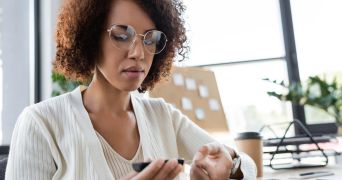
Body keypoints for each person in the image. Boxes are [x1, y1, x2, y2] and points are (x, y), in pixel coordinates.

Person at [5, 0, 256, 179]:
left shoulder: (162, 116)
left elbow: (248, 167)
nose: (138, 53)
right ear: (90, 39)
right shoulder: (41, 123)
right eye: (121, 35)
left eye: (150, 38)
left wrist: (229, 164)